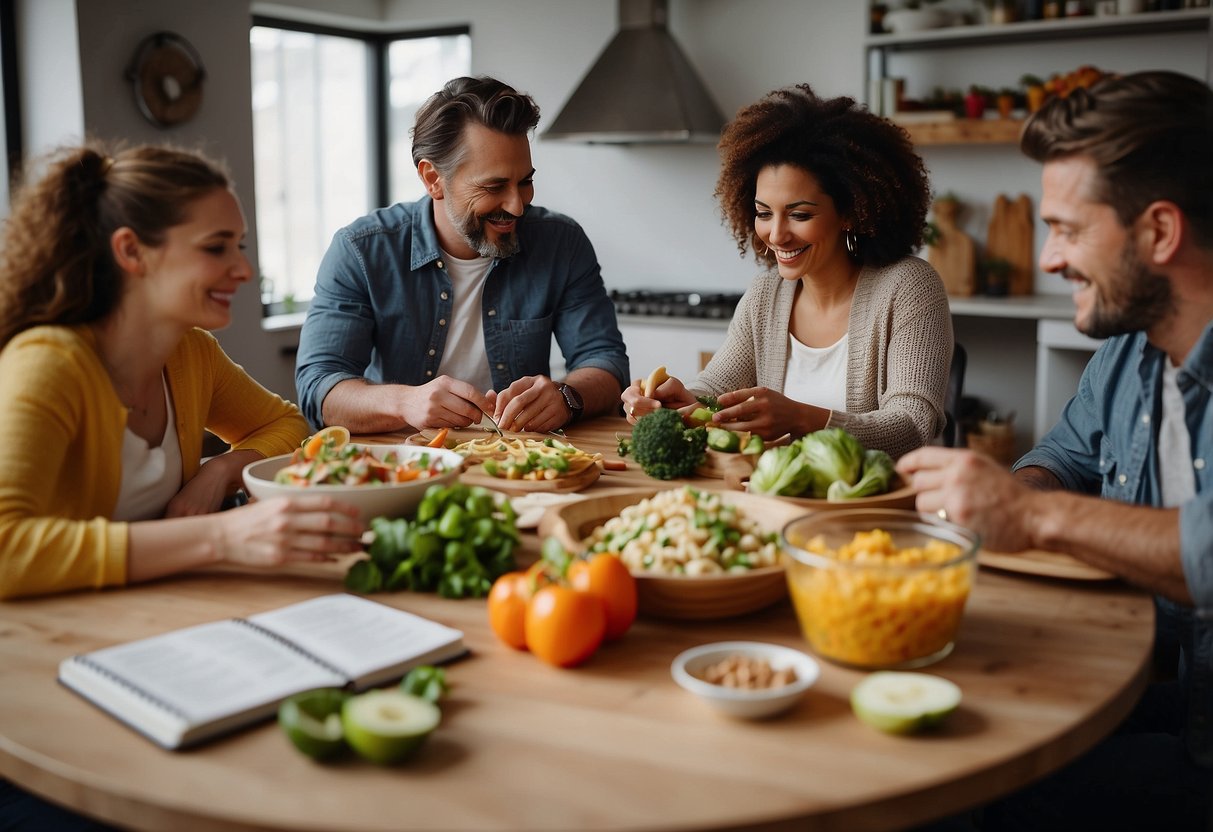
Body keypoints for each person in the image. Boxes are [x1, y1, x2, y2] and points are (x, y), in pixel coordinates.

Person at [898, 70, 1213, 830]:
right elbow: (1063, 462)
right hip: (1165, 679)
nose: (1046, 260)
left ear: (1159, 233)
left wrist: (1032, 519)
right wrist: (1000, 498)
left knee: (947, 796)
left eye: (1067, 230)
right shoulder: (1129, 347)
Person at [0, 143, 365, 601]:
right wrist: (224, 536)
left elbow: (286, 423)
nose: (244, 270)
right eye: (217, 248)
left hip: (164, 607)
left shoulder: (191, 353)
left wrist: (222, 470)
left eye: (240, 246)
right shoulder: (49, 363)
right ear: (132, 251)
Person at [620, 84, 952, 457]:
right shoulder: (765, 296)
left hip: (872, 507)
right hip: (773, 498)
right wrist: (676, 402)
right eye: (764, 213)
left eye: (799, 214)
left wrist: (801, 418)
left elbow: (913, 424)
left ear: (850, 211)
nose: (776, 235)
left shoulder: (908, 287)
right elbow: (715, 389)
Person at [295, 75, 629, 435]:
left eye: (525, 182)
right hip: (404, 469)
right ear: (432, 179)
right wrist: (406, 403)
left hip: (523, 465)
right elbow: (319, 387)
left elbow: (606, 362)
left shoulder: (562, 242)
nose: (517, 206)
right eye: (494, 186)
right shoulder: (361, 251)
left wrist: (567, 396)